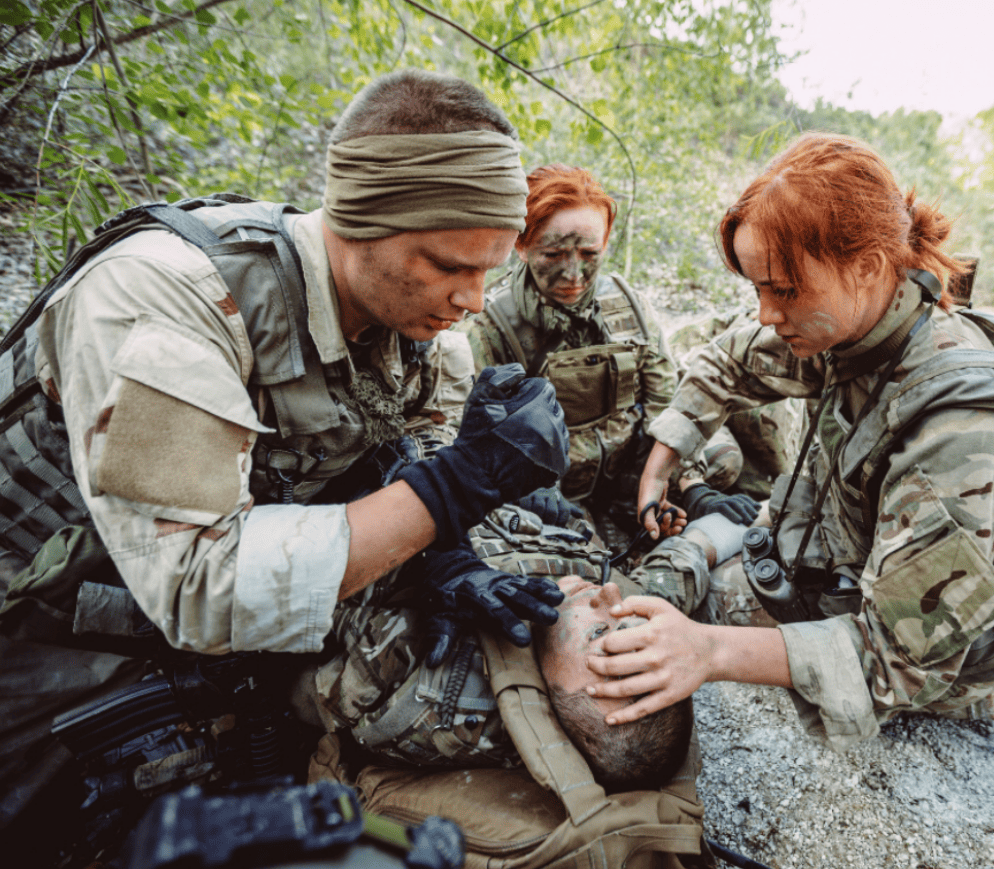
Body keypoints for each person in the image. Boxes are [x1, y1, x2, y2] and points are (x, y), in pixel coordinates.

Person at [0, 70, 570, 840]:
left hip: (197, 606)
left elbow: (412, 460)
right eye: (447, 265)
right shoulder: (164, 298)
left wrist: (450, 555)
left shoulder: (424, 335)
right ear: (362, 217)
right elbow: (200, 585)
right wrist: (453, 490)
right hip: (45, 611)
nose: (472, 299)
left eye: (489, 271)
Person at [583, 132, 994, 750]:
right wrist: (663, 463)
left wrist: (706, 651)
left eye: (782, 289)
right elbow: (728, 362)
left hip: (919, 651)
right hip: (832, 561)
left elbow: (895, 657)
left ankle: (969, 704)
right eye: (756, 288)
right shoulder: (854, 327)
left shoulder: (959, 428)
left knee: (669, 623)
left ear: (866, 265)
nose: (764, 313)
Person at [298, 503, 746, 793]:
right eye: (628, 620)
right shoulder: (621, 608)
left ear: (556, 699)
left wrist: (432, 555)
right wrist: (735, 517)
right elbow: (684, 562)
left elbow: (307, 582)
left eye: (599, 633)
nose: (610, 595)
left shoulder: (418, 660)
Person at [460, 164, 758, 544]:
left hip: (629, 460)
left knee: (724, 461)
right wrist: (521, 487)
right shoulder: (491, 326)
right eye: (553, 254)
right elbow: (473, 438)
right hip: (554, 484)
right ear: (520, 245)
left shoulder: (628, 307)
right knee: (580, 549)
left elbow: (665, 400)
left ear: (606, 240)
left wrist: (688, 482)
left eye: (589, 252)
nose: (573, 273)